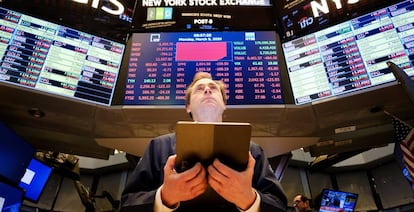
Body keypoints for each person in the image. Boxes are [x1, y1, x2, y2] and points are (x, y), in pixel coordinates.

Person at [120, 72, 287, 211]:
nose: (207, 90)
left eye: (213, 88)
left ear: (224, 104)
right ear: (188, 107)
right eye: (200, 89)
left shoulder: (253, 150)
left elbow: (279, 205)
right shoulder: (158, 146)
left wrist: (250, 200)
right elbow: (127, 203)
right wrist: (164, 197)